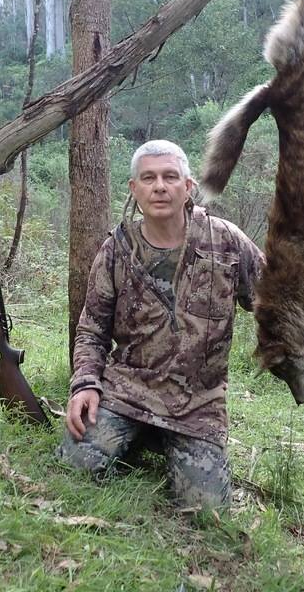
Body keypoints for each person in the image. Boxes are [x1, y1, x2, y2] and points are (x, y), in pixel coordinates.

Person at [57, 140, 263, 509]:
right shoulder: (117, 249)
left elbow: (277, 302)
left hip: (197, 404)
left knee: (206, 510)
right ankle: (136, 436)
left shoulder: (227, 242)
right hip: (127, 392)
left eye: (170, 177)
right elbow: (92, 330)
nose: (160, 186)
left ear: (188, 187)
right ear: (134, 189)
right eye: (148, 178)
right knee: (76, 464)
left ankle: (159, 443)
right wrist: (85, 384)